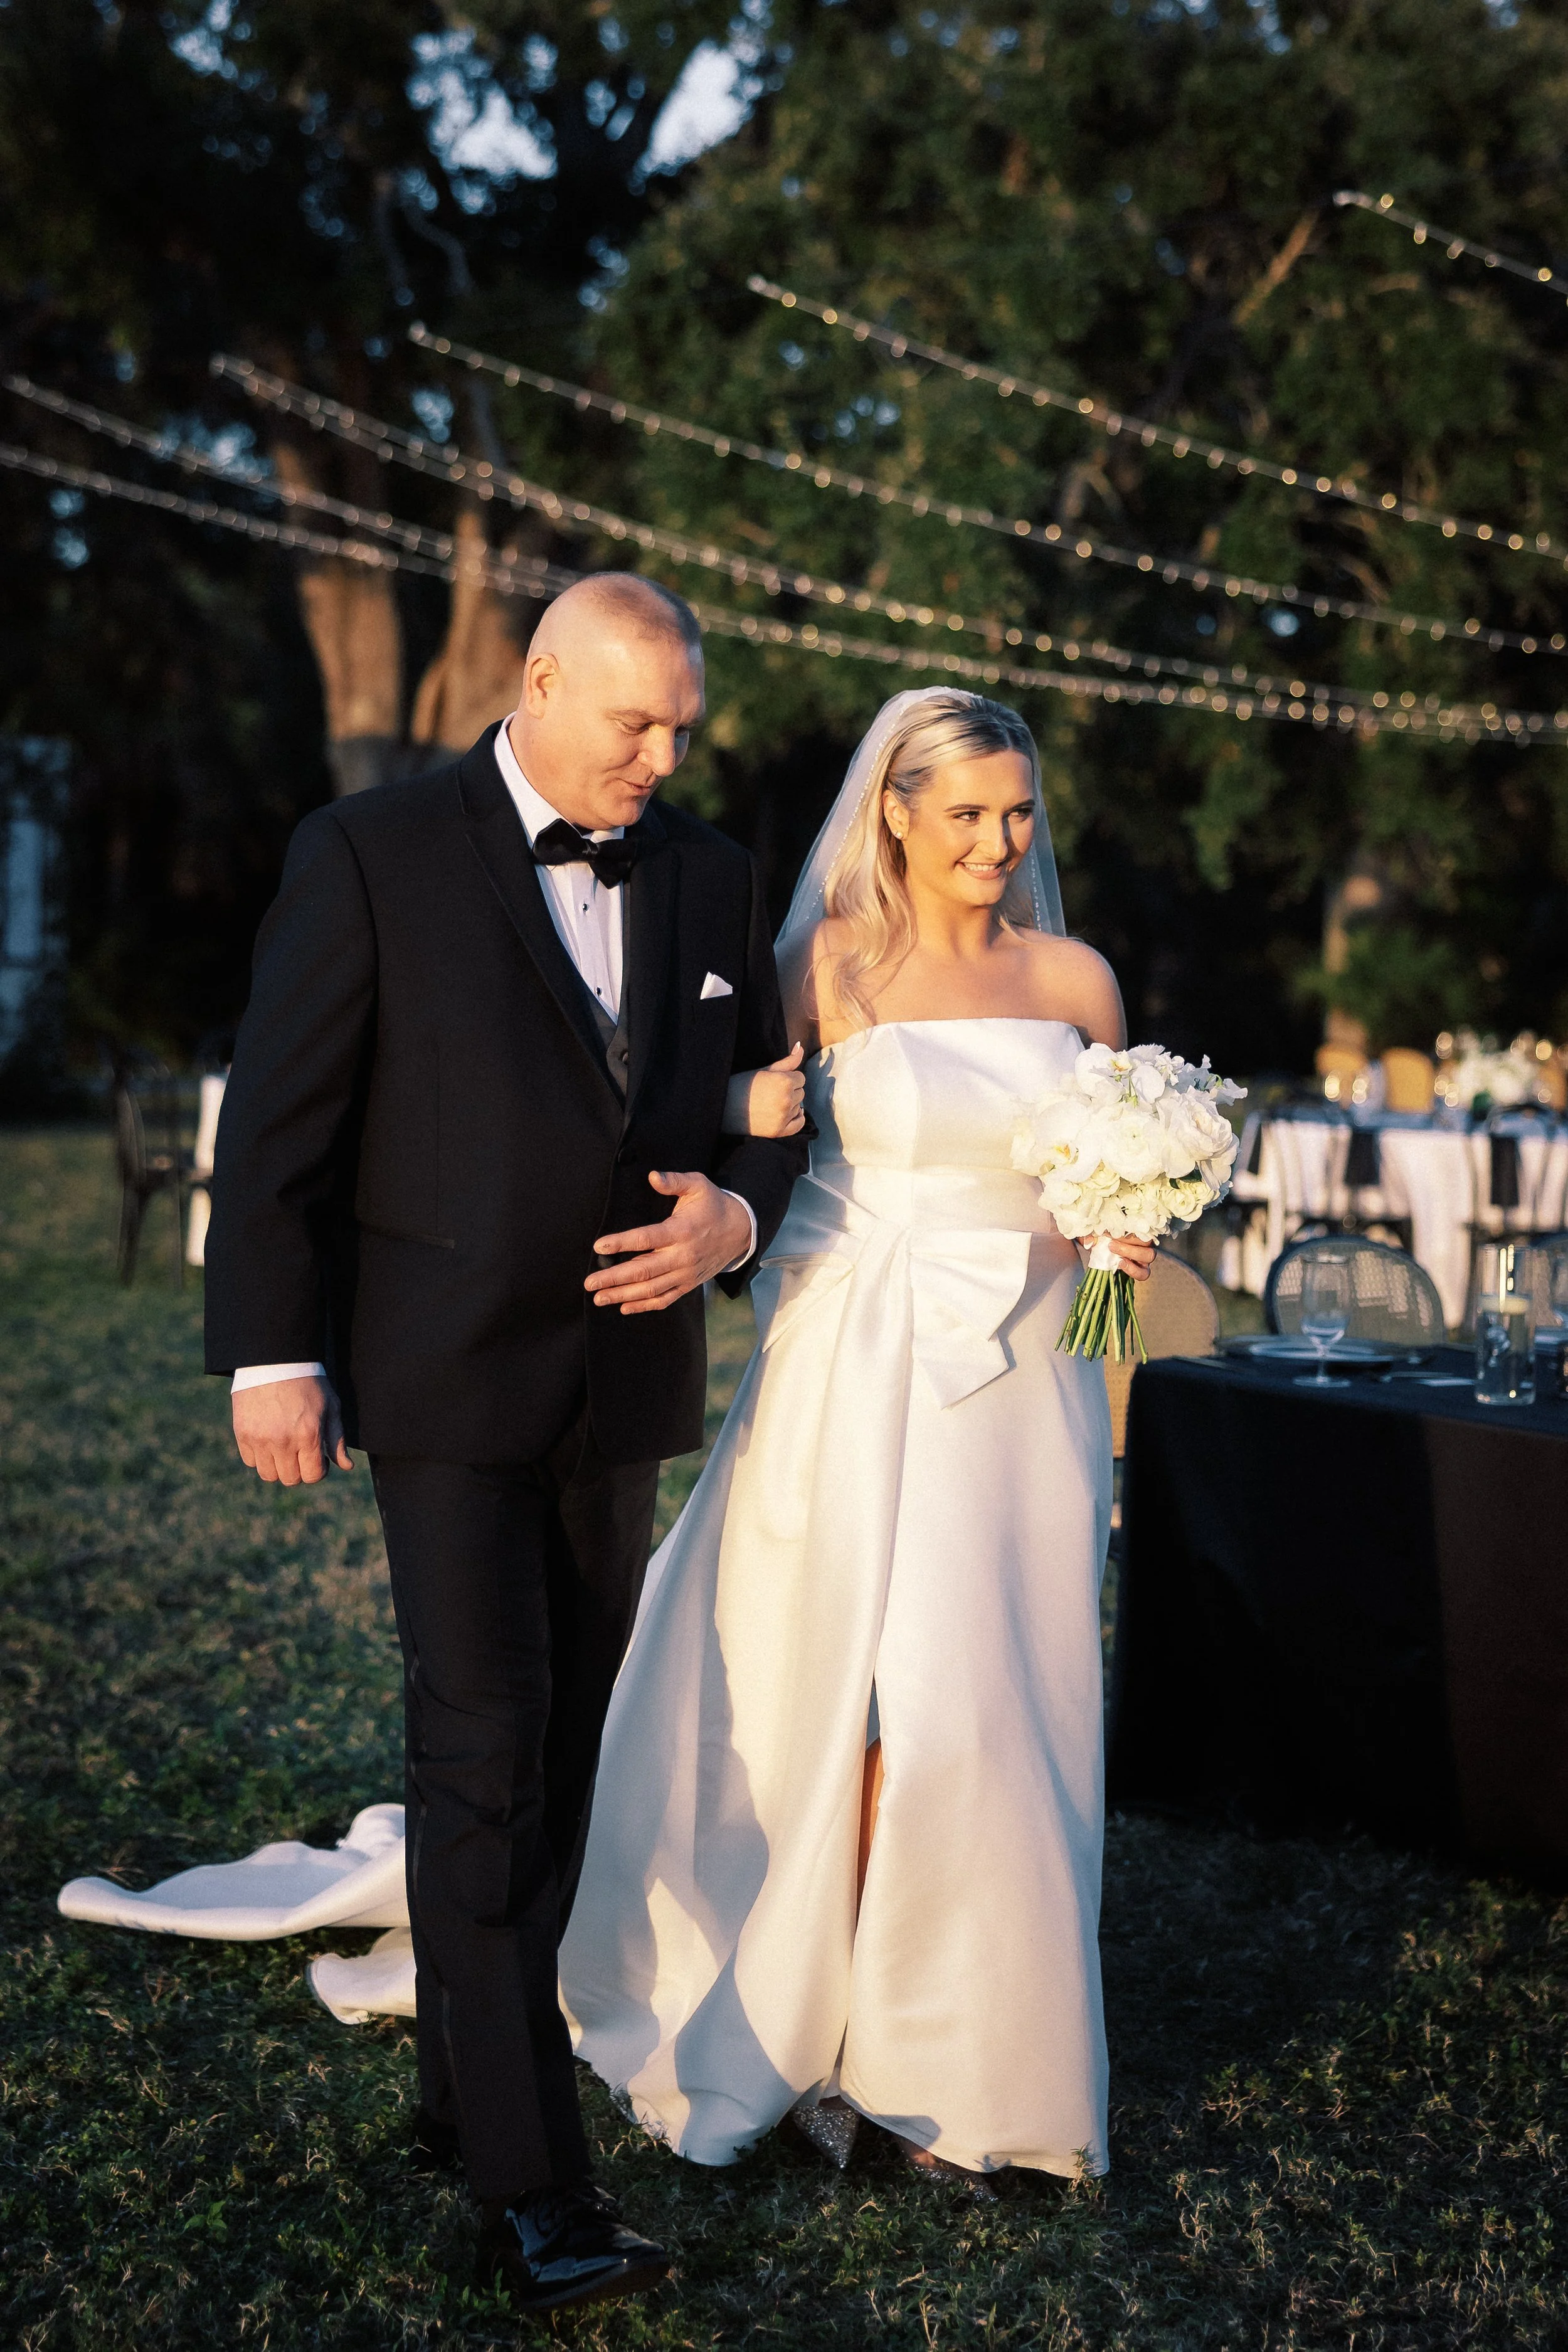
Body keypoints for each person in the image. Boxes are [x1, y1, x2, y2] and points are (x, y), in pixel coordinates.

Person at [202, 574, 810, 2317]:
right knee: (481, 1755)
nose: (661, 753)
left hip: (622, 1391)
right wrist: (269, 1352)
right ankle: (536, 2191)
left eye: (682, 723)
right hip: (442, 1385)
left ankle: (454, 2089)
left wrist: (736, 1221)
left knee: (554, 1762)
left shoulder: (709, 874)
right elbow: (279, 1125)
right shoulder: (372, 848)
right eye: (634, 719)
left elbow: (764, 1111)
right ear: (538, 680)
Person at [558, 687, 1152, 2191]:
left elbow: (1109, 1230)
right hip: (850, 1350)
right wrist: (747, 1112)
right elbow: (738, 1147)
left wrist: (1111, 1398)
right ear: (891, 812)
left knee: (991, 1711)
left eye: (1017, 814)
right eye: (965, 815)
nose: (998, 844)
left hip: (1025, 1386)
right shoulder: (823, 963)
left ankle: (959, 2069)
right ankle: (807, 2025)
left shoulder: (1075, 979)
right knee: (846, 1696)